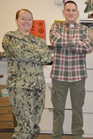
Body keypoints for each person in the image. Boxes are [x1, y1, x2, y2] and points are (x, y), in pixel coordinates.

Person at [2, 9, 52, 138]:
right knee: (26, 127)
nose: (26, 21)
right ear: (16, 20)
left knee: (34, 126)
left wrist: (29, 52)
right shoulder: (10, 37)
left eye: (29, 19)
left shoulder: (39, 41)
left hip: (38, 86)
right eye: (23, 18)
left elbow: (47, 57)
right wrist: (37, 53)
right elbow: (20, 53)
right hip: (20, 87)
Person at [49, 1, 93, 139]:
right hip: (58, 75)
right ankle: (56, 136)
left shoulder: (84, 29)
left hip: (78, 76)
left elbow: (88, 47)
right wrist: (76, 42)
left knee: (77, 109)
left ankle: (77, 136)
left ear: (78, 13)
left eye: (73, 10)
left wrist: (66, 42)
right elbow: (55, 41)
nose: (71, 13)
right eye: (68, 10)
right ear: (63, 12)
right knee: (58, 110)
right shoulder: (56, 26)